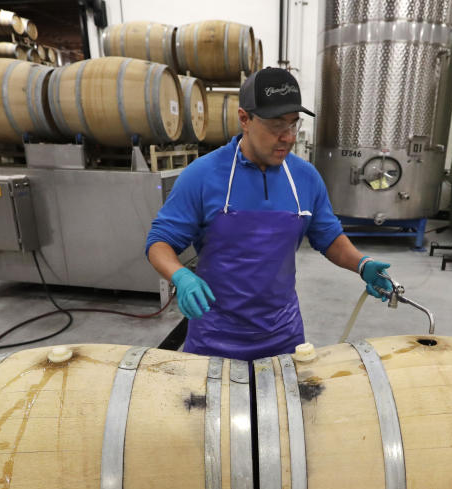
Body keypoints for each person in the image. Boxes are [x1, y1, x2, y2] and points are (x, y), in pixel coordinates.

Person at [145, 67, 394, 361]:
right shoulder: (203, 175)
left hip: (283, 336)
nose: (288, 138)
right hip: (214, 338)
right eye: (276, 126)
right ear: (244, 119)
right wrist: (181, 275)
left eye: (293, 125)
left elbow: (328, 237)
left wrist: (361, 264)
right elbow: (159, 242)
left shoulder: (305, 177)